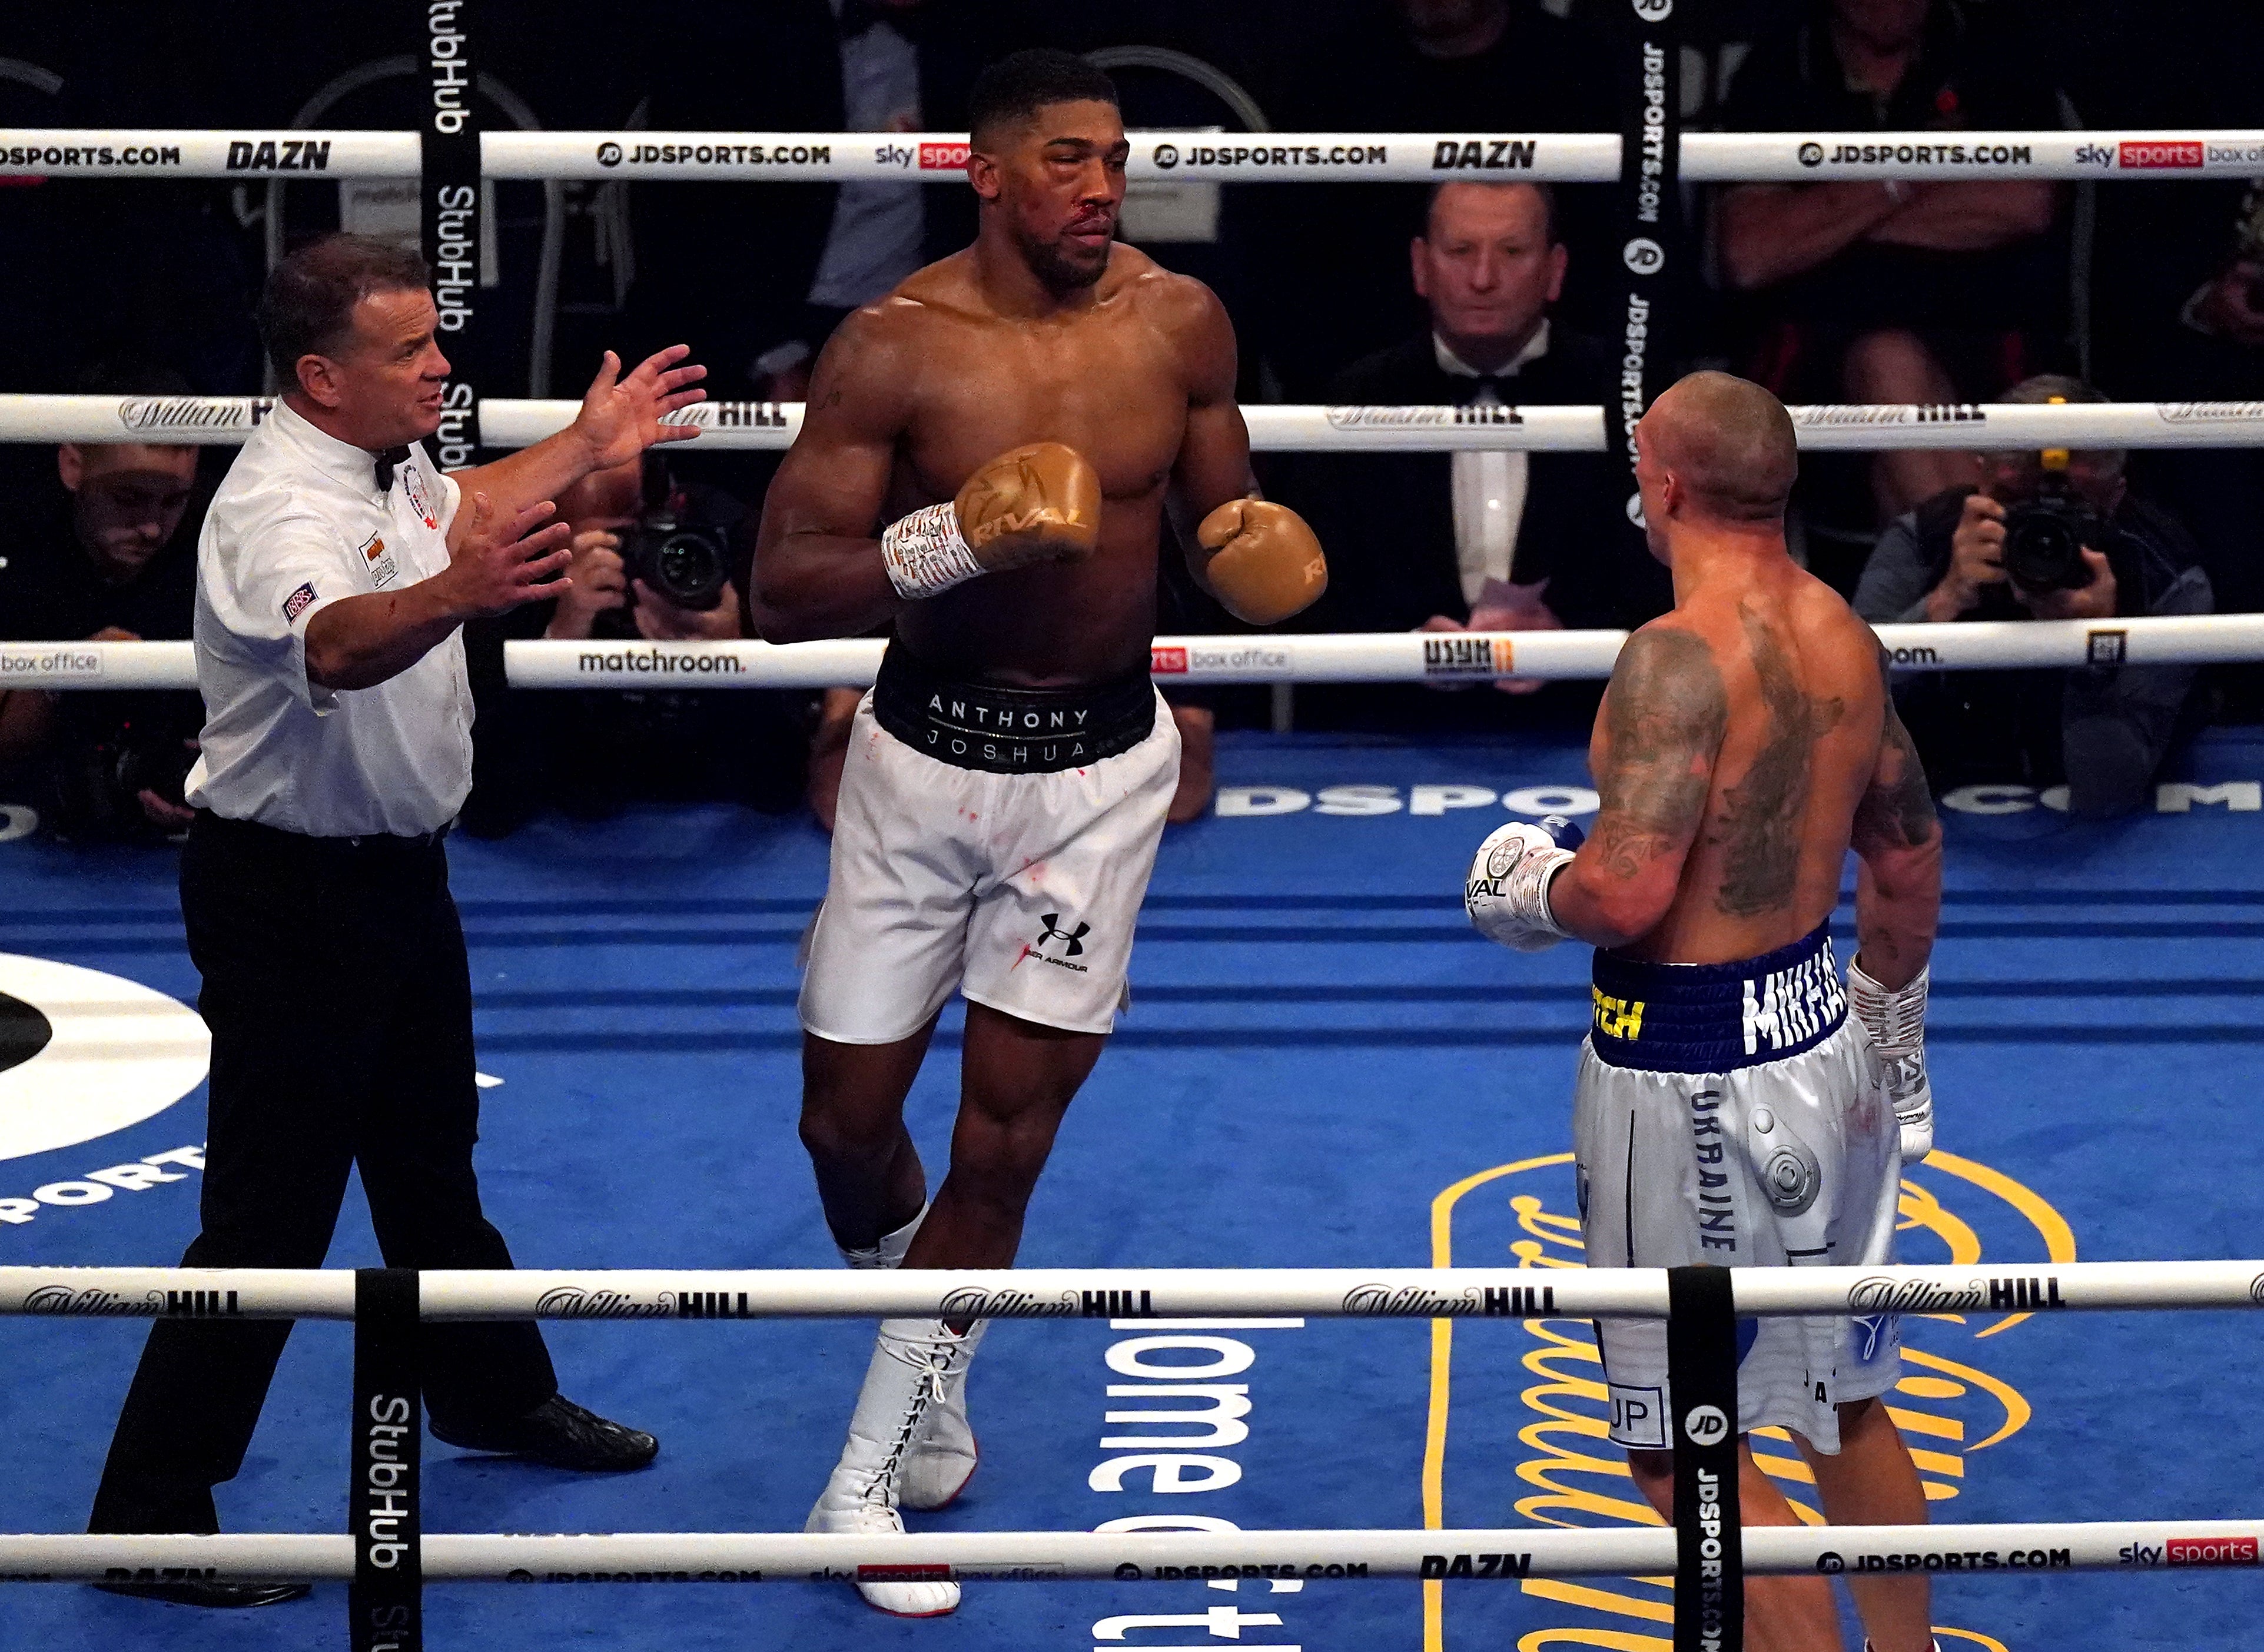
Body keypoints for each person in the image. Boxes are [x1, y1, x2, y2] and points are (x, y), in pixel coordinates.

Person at [749, 49, 1326, 1617]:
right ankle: (923, 1354)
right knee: (843, 1121)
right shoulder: (892, 348)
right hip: (918, 760)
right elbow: (784, 582)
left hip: (1094, 777)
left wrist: (1246, 547)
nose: (1099, 187)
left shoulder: (1177, 322)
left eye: (1114, 158)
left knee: (1004, 1134)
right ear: (985, 173)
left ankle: (863, 1477)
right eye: (1065, 158)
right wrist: (954, 535)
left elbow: (1217, 522)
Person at [87, 232, 707, 1608]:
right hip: (288, 898)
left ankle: (491, 1397)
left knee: (433, 1168)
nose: (441, 366)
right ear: (322, 375)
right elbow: (341, 640)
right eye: (410, 352)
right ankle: (145, 1510)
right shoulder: (273, 512)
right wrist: (461, 595)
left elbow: (457, 504)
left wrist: (588, 440)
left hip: (397, 879)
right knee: (267, 1218)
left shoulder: (378, 463)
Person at [1462, 372, 1944, 1652]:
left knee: (1688, 1444)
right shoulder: (1843, 625)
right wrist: (1894, 1044)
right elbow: (1906, 851)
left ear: (1661, 484)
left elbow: (1623, 893)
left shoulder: (1674, 655)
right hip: (1823, 1036)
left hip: (1681, 1078)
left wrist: (1522, 888)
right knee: (1844, 1394)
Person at [1289, 180, 1670, 730]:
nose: (1484, 279)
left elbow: (1673, 579)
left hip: (1589, 725)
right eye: (1461, 251)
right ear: (1421, 265)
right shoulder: (1359, 396)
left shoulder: (1629, 395)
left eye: (1512, 251)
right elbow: (1311, 589)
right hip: (1392, 729)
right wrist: (1407, 646)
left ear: (1555, 269)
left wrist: (1572, 640)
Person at [1714, 0, 2066, 523]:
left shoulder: (1994, 54)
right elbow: (1752, 252)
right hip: (1816, 359)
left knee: (1903, 455)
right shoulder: (1781, 68)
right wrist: (1911, 173)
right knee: (1889, 360)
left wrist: (1828, 219)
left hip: (1986, 342)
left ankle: (1968, 576)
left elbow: (2025, 202)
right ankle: (1990, 577)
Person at [1852, 374, 2214, 818]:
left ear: (2116, 496)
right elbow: (1841, 709)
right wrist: (1942, 602)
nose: (2043, 527)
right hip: (1943, 781)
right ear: (1981, 479)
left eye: (2072, 508)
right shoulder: (1925, 538)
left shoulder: (2165, 574)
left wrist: (2095, 653)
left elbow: (2107, 791)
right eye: (2016, 499)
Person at [459, 454, 810, 832]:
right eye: (585, 541)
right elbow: (488, 810)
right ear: (547, 531)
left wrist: (732, 657)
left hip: (711, 804)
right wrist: (560, 639)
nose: (618, 554)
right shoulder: (518, 576)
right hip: (580, 813)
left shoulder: (721, 551)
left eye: (627, 534)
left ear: (666, 509)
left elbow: (780, 791)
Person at [0, 366, 204, 840]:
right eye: (129, 498)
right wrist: (69, 674)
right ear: (73, 467)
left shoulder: (221, 549)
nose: (153, 527)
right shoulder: (22, 557)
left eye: (174, 500)